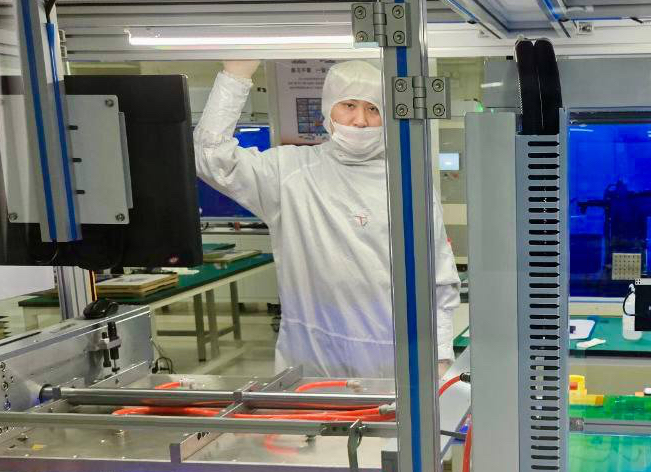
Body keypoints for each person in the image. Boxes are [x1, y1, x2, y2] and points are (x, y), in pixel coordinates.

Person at [193, 59, 460, 380]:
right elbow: (212, 158)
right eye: (348, 105)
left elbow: (438, 276)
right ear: (328, 111)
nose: (360, 120)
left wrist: (440, 354)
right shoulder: (288, 173)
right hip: (312, 363)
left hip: (395, 362)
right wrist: (236, 76)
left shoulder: (410, 181)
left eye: (373, 109)